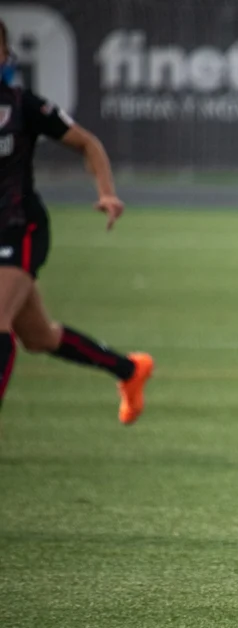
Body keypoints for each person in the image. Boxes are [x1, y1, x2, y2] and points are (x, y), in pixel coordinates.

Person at [0, 19, 152, 421]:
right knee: (39, 336)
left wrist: (106, 192)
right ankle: (129, 370)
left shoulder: (23, 106)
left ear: (6, 54)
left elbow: (87, 142)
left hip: (20, 228)